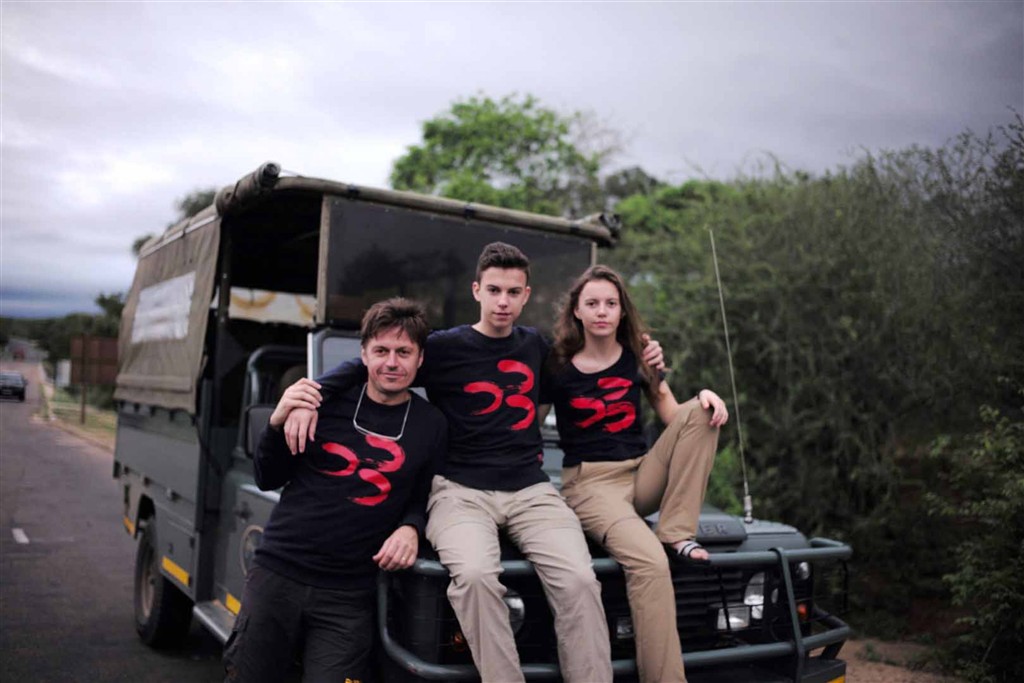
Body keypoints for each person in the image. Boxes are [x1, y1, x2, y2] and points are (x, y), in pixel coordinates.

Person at [280, 243, 664, 683]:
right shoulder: (443, 348)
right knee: (477, 577)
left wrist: (645, 354)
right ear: (477, 290)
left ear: (525, 296)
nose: (503, 302)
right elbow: (370, 365)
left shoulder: (536, 346)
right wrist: (310, 397)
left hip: (531, 489)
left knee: (579, 579)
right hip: (459, 491)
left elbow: (594, 364)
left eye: (513, 292)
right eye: (494, 290)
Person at [223, 298, 447, 683]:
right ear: (364, 354)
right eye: (381, 351)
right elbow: (267, 477)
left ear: (420, 358)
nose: (392, 362)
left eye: (404, 352)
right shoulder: (322, 404)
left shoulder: (432, 425)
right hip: (279, 572)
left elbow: (426, 494)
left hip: (349, 594)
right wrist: (277, 423)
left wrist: (412, 527)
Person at [543, 264, 729, 683]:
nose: (602, 311)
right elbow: (527, 426)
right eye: (592, 303)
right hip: (590, 484)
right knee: (650, 564)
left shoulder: (639, 358)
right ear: (576, 311)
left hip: (641, 473)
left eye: (611, 303)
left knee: (702, 411)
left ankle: (676, 532)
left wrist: (705, 397)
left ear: (622, 311)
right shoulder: (557, 366)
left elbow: (674, 416)